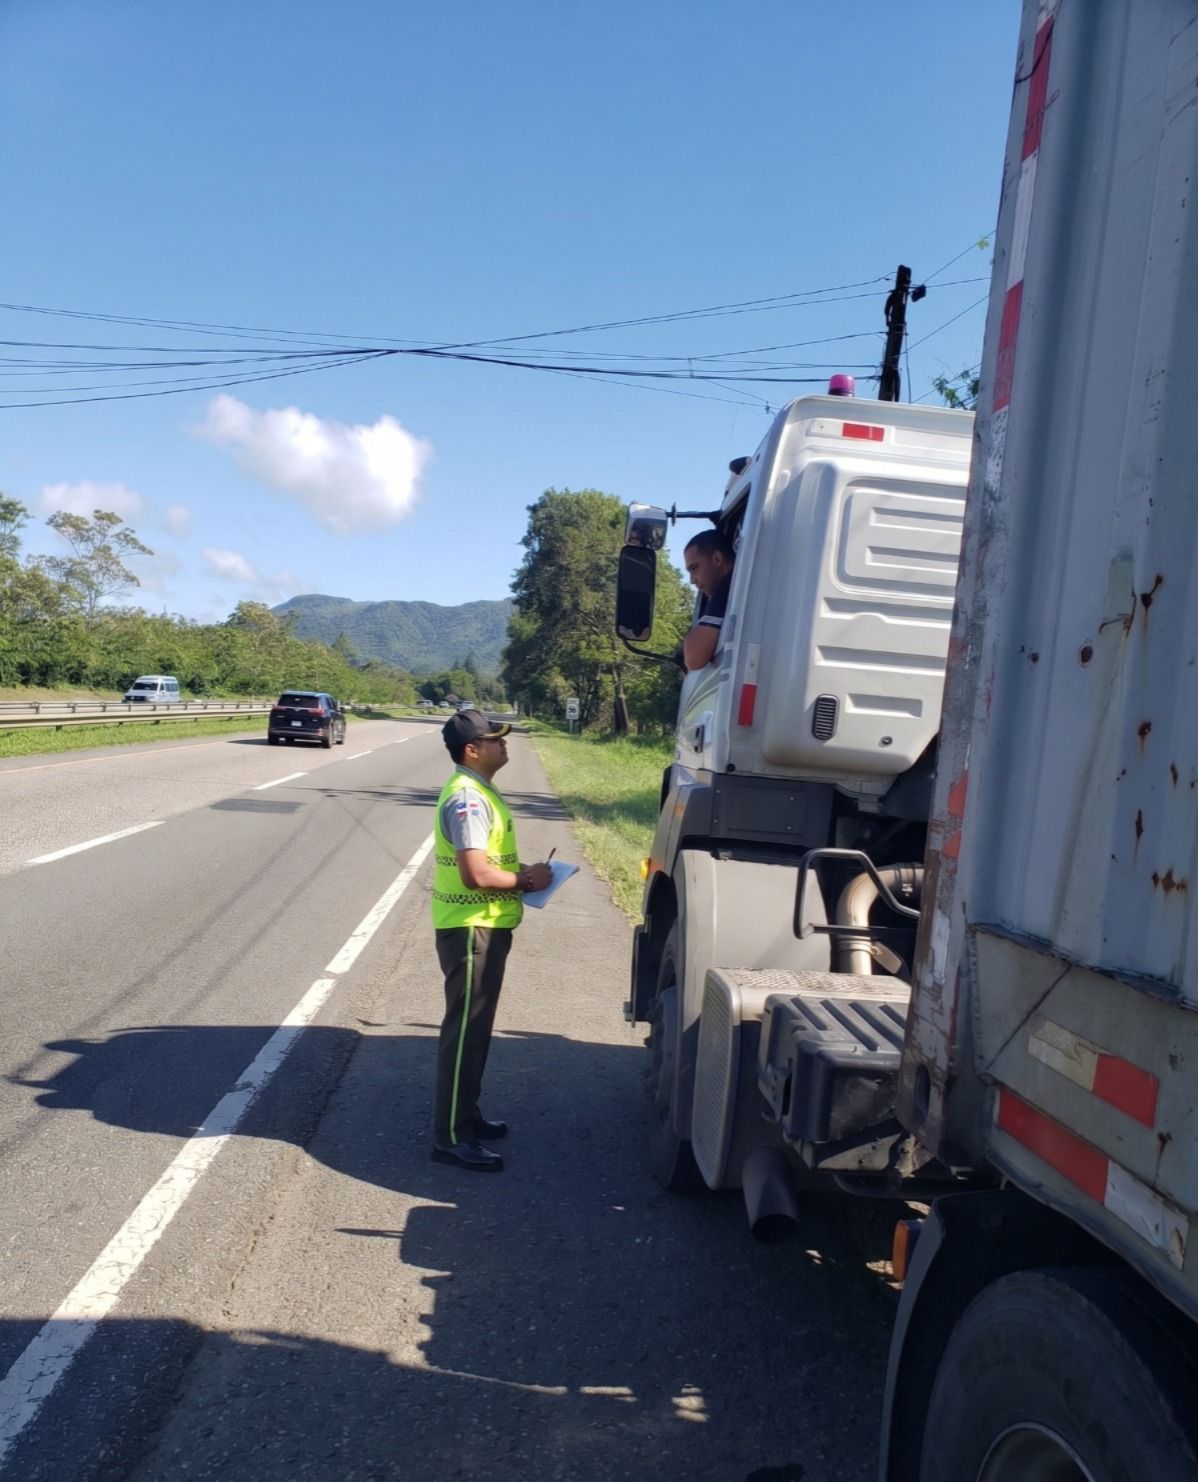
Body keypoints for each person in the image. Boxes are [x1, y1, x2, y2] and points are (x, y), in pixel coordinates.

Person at [430, 709, 552, 1172]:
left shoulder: (480, 790)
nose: (505, 744)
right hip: (470, 928)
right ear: (471, 750)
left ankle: (466, 1115)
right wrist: (527, 880)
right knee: (464, 1036)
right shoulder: (467, 799)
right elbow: (476, 873)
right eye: (495, 738)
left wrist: (524, 878)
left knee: (476, 1034)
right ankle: (451, 1138)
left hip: (482, 924)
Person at [682, 528, 736, 672]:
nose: (692, 580)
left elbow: (694, 659)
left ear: (717, 559)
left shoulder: (730, 589)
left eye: (694, 568)